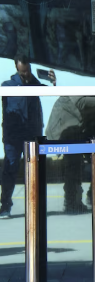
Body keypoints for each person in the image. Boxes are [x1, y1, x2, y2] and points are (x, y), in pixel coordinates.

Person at [1, 56, 50, 216]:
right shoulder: (7, 86)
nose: (26, 74)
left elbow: (49, 92)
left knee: (34, 170)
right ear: (17, 69)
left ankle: (34, 206)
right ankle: (5, 205)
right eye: (23, 72)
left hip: (31, 134)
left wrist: (53, 83)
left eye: (28, 70)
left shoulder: (35, 85)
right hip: (13, 137)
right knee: (10, 168)